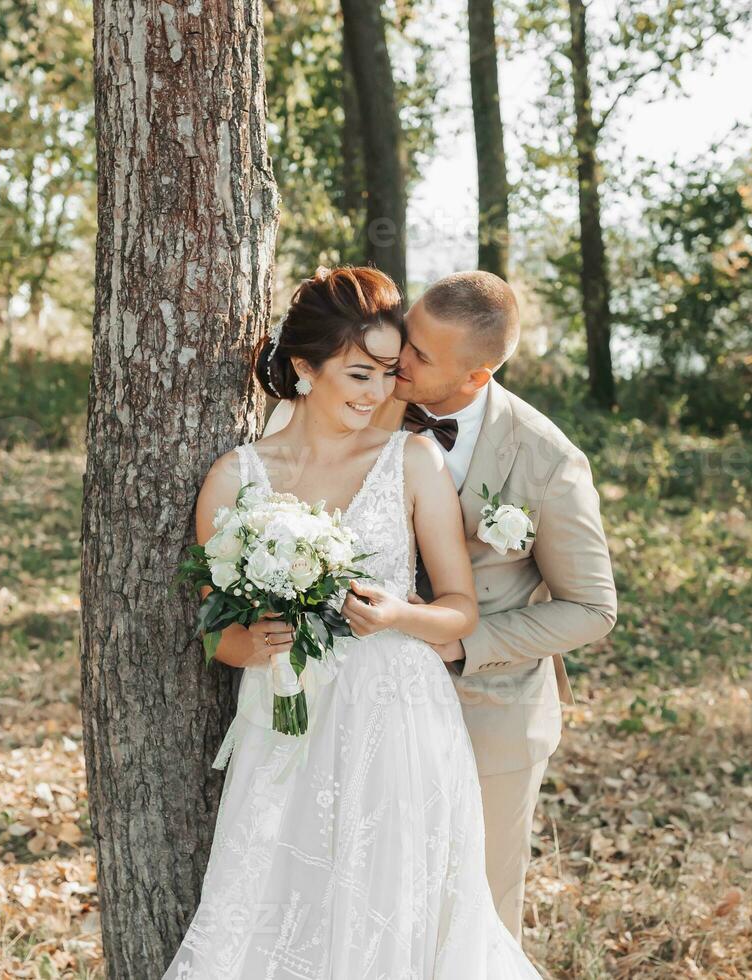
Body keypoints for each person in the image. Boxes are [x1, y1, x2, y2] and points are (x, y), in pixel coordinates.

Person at [163, 266, 542, 978]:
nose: (378, 395)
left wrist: (400, 614)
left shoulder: (412, 460)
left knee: (393, 909)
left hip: (398, 720)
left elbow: (459, 608)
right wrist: (254, 642)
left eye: (389, 374)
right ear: (305, 368)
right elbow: (218, 635)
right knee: (285, 903)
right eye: (360, 374)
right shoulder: (234, 478)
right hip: (288, 723)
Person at [265, 270, 618, 939]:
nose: (398, 358)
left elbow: (592, 607)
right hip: (360, 710)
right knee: (371, 909)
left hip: (489, 717)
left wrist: (463, 641)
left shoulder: (547, 461)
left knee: (472, 921)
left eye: (421, 356)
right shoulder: (365, 398)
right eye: (407, 334)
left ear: (475, 377)